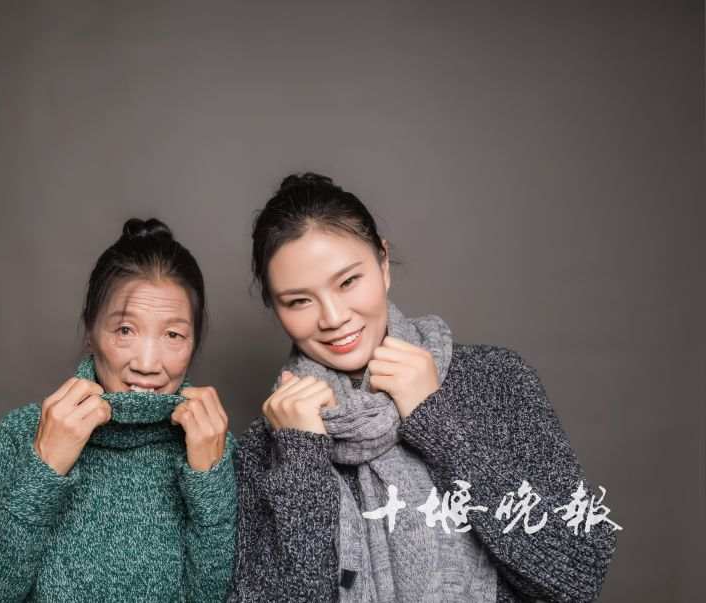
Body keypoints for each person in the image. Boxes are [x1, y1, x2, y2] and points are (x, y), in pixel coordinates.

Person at [228, 173, 619, 602]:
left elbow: (576, 574)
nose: (333, 316)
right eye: (299, 300)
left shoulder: (495, 380)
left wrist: (436, 421)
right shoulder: (265, 450)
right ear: (275, 307)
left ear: (382, 263)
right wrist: (301, 458)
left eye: (348, 282)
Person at [0, 218, 237, 602]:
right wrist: (44, 468)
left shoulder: (211, 446)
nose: (147, 362)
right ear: (91, 333)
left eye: (173, 335)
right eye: (125, 330)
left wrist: (208, 481)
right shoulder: (23, 432)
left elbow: (212, 596)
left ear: (194, 343)